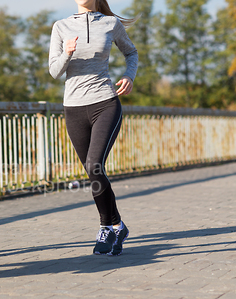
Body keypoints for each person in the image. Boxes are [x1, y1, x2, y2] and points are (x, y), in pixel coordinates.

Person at [49, 0, 138, 255]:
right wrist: (66, 53)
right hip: (74, 108)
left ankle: (105, 227)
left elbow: (131, 52)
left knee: (93, 164)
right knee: (93, 172)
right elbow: (54, 71)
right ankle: (118, 225)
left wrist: (129, 75)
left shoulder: (111, 24)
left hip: (105, 103)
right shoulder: (61, 26)